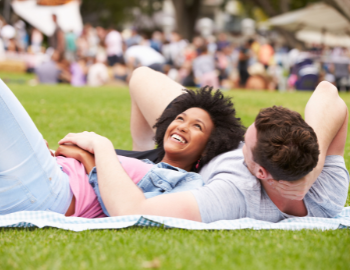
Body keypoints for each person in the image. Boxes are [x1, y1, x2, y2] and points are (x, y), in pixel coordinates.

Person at [59, 67, 348, 223]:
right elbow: (328, 93)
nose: (242, 140)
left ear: (260, 173)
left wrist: (102, 145)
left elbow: (132, 210)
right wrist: (311, 172)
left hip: (197, 150)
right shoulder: (326, 192)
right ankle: (145, 150)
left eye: (244, 145)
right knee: (141, 77)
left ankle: (146, 166)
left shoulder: (232, 196)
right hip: (211, 131)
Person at [0, 83, 244, 219]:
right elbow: (67, 146)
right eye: (180, 118)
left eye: (197, 126)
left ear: (208, 148)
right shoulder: (148, 165)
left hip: (53, 194)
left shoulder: (187, 184)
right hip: (47, 175)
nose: (182, 126)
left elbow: (134, 212)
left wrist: (89, 156)